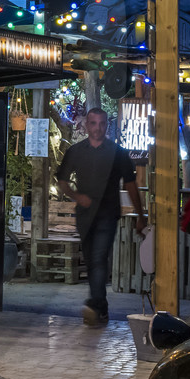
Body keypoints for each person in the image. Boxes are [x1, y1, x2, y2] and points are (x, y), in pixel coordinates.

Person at [54, 108, 146, 327]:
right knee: (92, 259)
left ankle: (95, 306)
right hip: (85, 214)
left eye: (102, 124)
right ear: (87, 125)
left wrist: (140, 215)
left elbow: (131, 185)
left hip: (107, 213)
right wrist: (77, 196)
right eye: (93, 123)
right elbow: (62, 181)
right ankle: (100, 309)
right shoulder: (76, 151)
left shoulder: (118, 152)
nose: (97, 128)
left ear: (107, 125)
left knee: (98, 257)